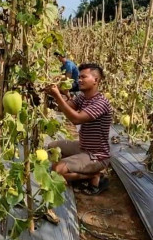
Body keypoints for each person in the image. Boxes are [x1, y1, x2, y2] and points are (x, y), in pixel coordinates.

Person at [45, 63, 112, 195]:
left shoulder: (101, 103)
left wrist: (58, 96)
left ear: (96, 80)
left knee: (56, 170)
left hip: (97, 155)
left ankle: (93, 176)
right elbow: (66, 107)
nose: (79, 80)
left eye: (83, 77)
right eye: (79, 77)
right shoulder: (82, 97)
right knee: (52, 147)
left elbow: (76, 118)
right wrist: (59, 95)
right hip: (83, 146)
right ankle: (80, 169)